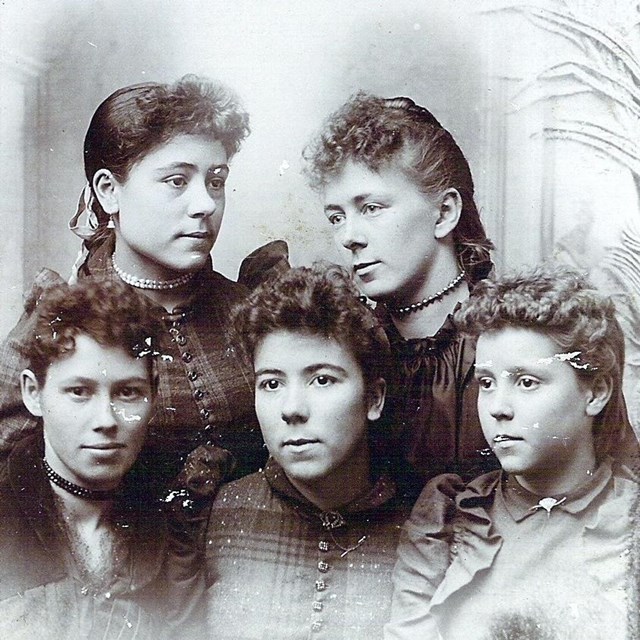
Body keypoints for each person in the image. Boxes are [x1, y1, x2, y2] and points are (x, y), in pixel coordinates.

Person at [0, 76, 288, 501]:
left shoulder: (253, 310)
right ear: (109, 191)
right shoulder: (59, 318)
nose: (205, 203)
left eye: (216, 180)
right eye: (176, 180)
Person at [384, 263, 637, 640]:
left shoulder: (630, 520)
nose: (498, 407)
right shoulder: (449, 518)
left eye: (526, 382)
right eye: (486, 382)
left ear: (596, 392)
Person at [205, 265, 411, 639]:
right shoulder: (215, 515)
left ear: (374, 398)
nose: (291, 408)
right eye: (271, 383)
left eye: (322, 379)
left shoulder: (424, 524)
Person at [303, 93, 496, 489]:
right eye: (337, 217)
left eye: (371, 208)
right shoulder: (347, 346)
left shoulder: (510, 340)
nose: (349, 237)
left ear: (444, 213)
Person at [0, 278, 205, 639]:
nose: (106, 421)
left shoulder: (177, 526)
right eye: (79, 392)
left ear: (153, 395)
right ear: (34, 393)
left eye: (128, 393)